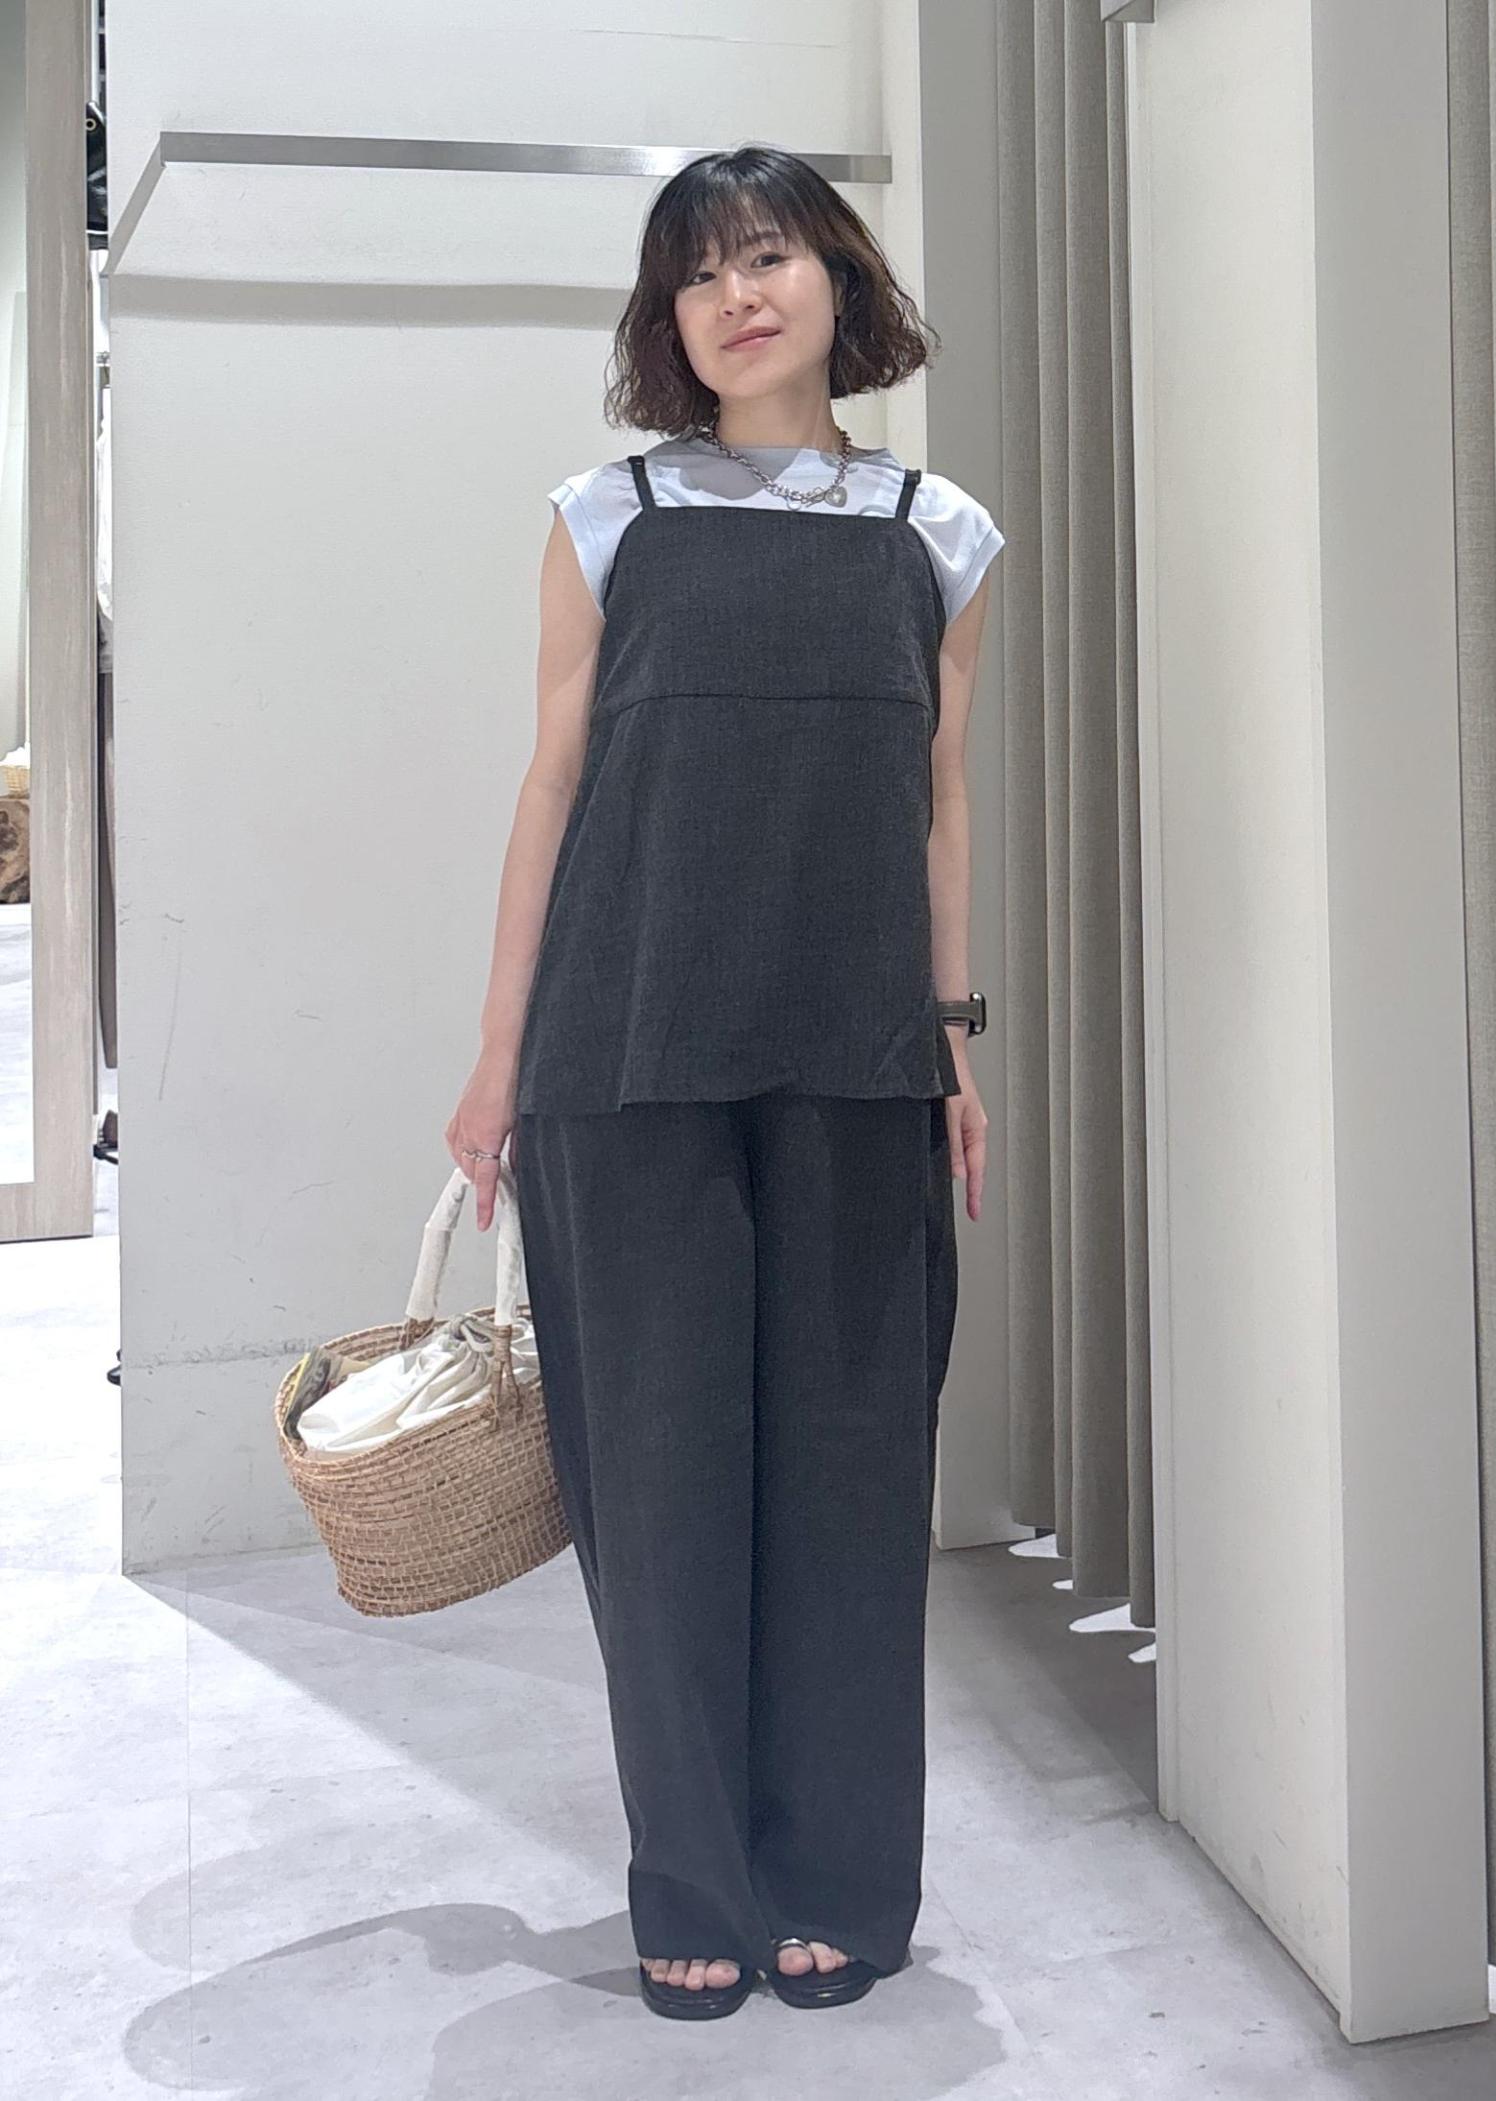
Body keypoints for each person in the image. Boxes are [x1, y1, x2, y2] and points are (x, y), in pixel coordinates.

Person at [446, 144, 1002, 2021]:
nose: (737, 297)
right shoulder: (605, 513)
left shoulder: (941, 530)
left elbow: (939, 801)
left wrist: (953, 1041)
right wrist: (498, 1058)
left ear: (842, 281)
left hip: (858, 1051)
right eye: (699, 274)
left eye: (767, 257)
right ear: (665, 320)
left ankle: (837, 1872)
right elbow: (551, 789)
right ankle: (690, 1874)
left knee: (853, 1475)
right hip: (626, 1053)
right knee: (663, 1486)